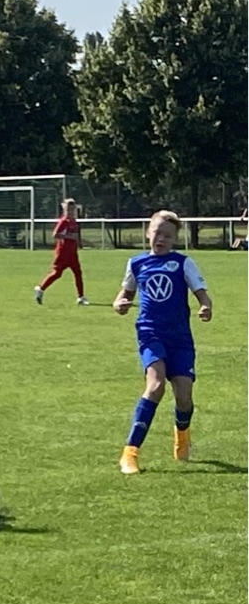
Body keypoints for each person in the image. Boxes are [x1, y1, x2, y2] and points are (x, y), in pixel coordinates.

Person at [113, 210, 212, 474]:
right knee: (155, 386)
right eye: (157, 233)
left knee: (184, 397)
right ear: (148, 233)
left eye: (168, 235)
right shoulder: (137, 263)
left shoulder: (183, 263)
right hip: (150, 333)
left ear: (175, 239)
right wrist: (119, 303)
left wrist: (205, 307)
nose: (161, 239)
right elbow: (124, 295)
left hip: (180, 338)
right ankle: (130, 454)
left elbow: (203, 295)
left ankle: (182, 436)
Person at [34, 198, 89, 306]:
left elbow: (75, 236)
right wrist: (70, 237)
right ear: (64, 209)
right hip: (63, 253)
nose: (70, 212)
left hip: (72, 253)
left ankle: (81, 297)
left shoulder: (73, 222)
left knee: (78, 273)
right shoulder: (63, 221)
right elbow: (55, 234)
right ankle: (41, 288)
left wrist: (78, 243)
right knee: (57, 273)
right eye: (68, 209)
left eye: (72, 209)